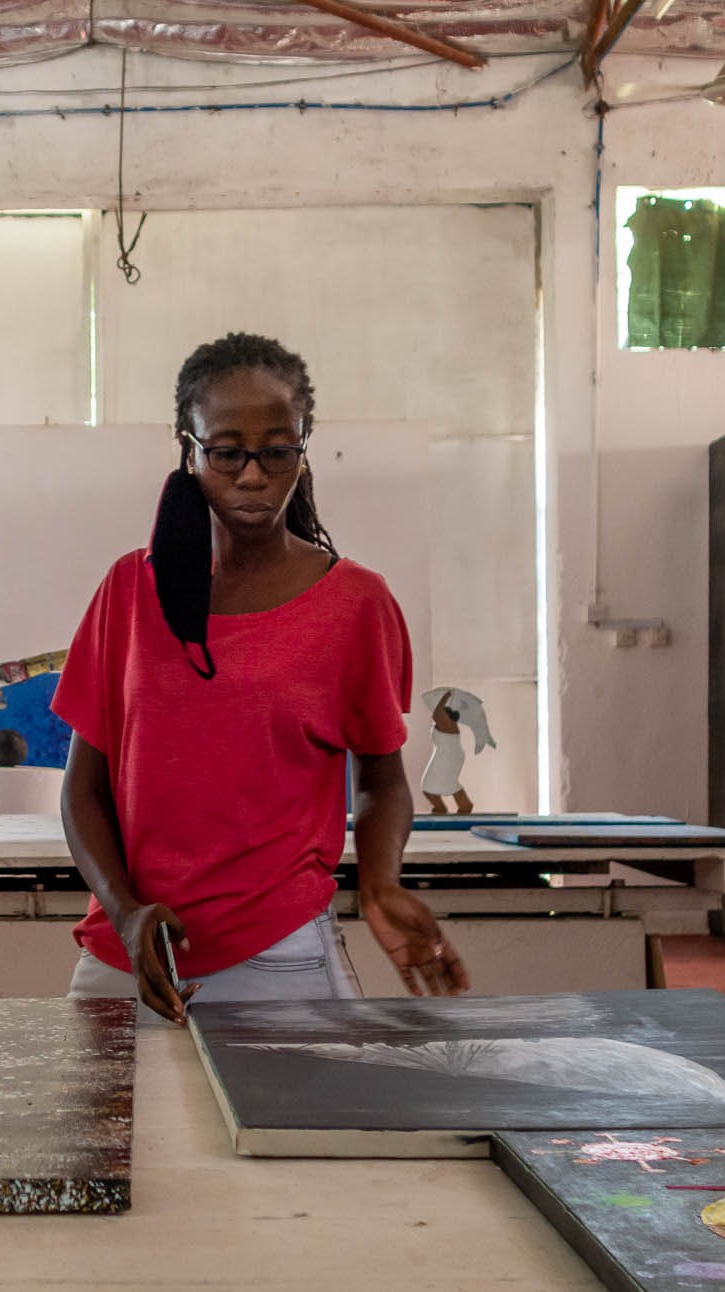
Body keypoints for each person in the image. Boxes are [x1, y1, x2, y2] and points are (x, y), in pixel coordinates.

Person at [55, 332, 470, 1023]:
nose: (252, 476)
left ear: (304, 448)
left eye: (278, 452)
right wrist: (126, 915)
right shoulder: (129, 592)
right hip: (127, 955)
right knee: (105, 1135)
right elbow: (83, 792)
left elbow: (381, 779)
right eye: (226, 452)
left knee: (291, 1137)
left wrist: (379, 881)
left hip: (279, 959)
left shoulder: (355, 604)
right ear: (187, 446)